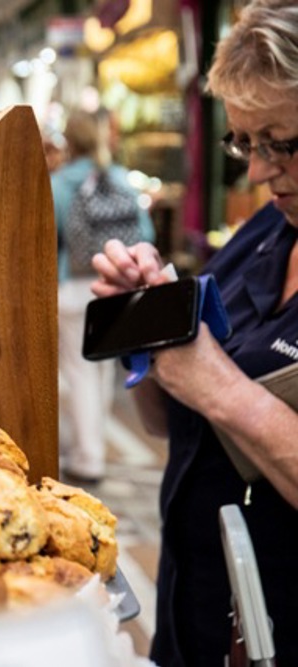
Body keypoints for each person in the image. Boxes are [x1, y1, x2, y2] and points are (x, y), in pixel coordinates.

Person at [91, 2, 298, 664]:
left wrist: (220, 386)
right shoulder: (264, 235)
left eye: (283, 143)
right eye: (245, 142)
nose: (261, 171)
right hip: (196, 618)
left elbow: (217, 395)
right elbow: (168, 423)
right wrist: (155, 329)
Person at [52, 108, 154, 484]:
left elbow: (49, 235)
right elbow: (146, 233)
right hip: (116, 286)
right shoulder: (121, 179)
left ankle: (88, 457)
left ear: (70, 141)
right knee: (104, 371)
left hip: (74, 287)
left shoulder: (60, 182)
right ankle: (96, 446)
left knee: (79, 373)